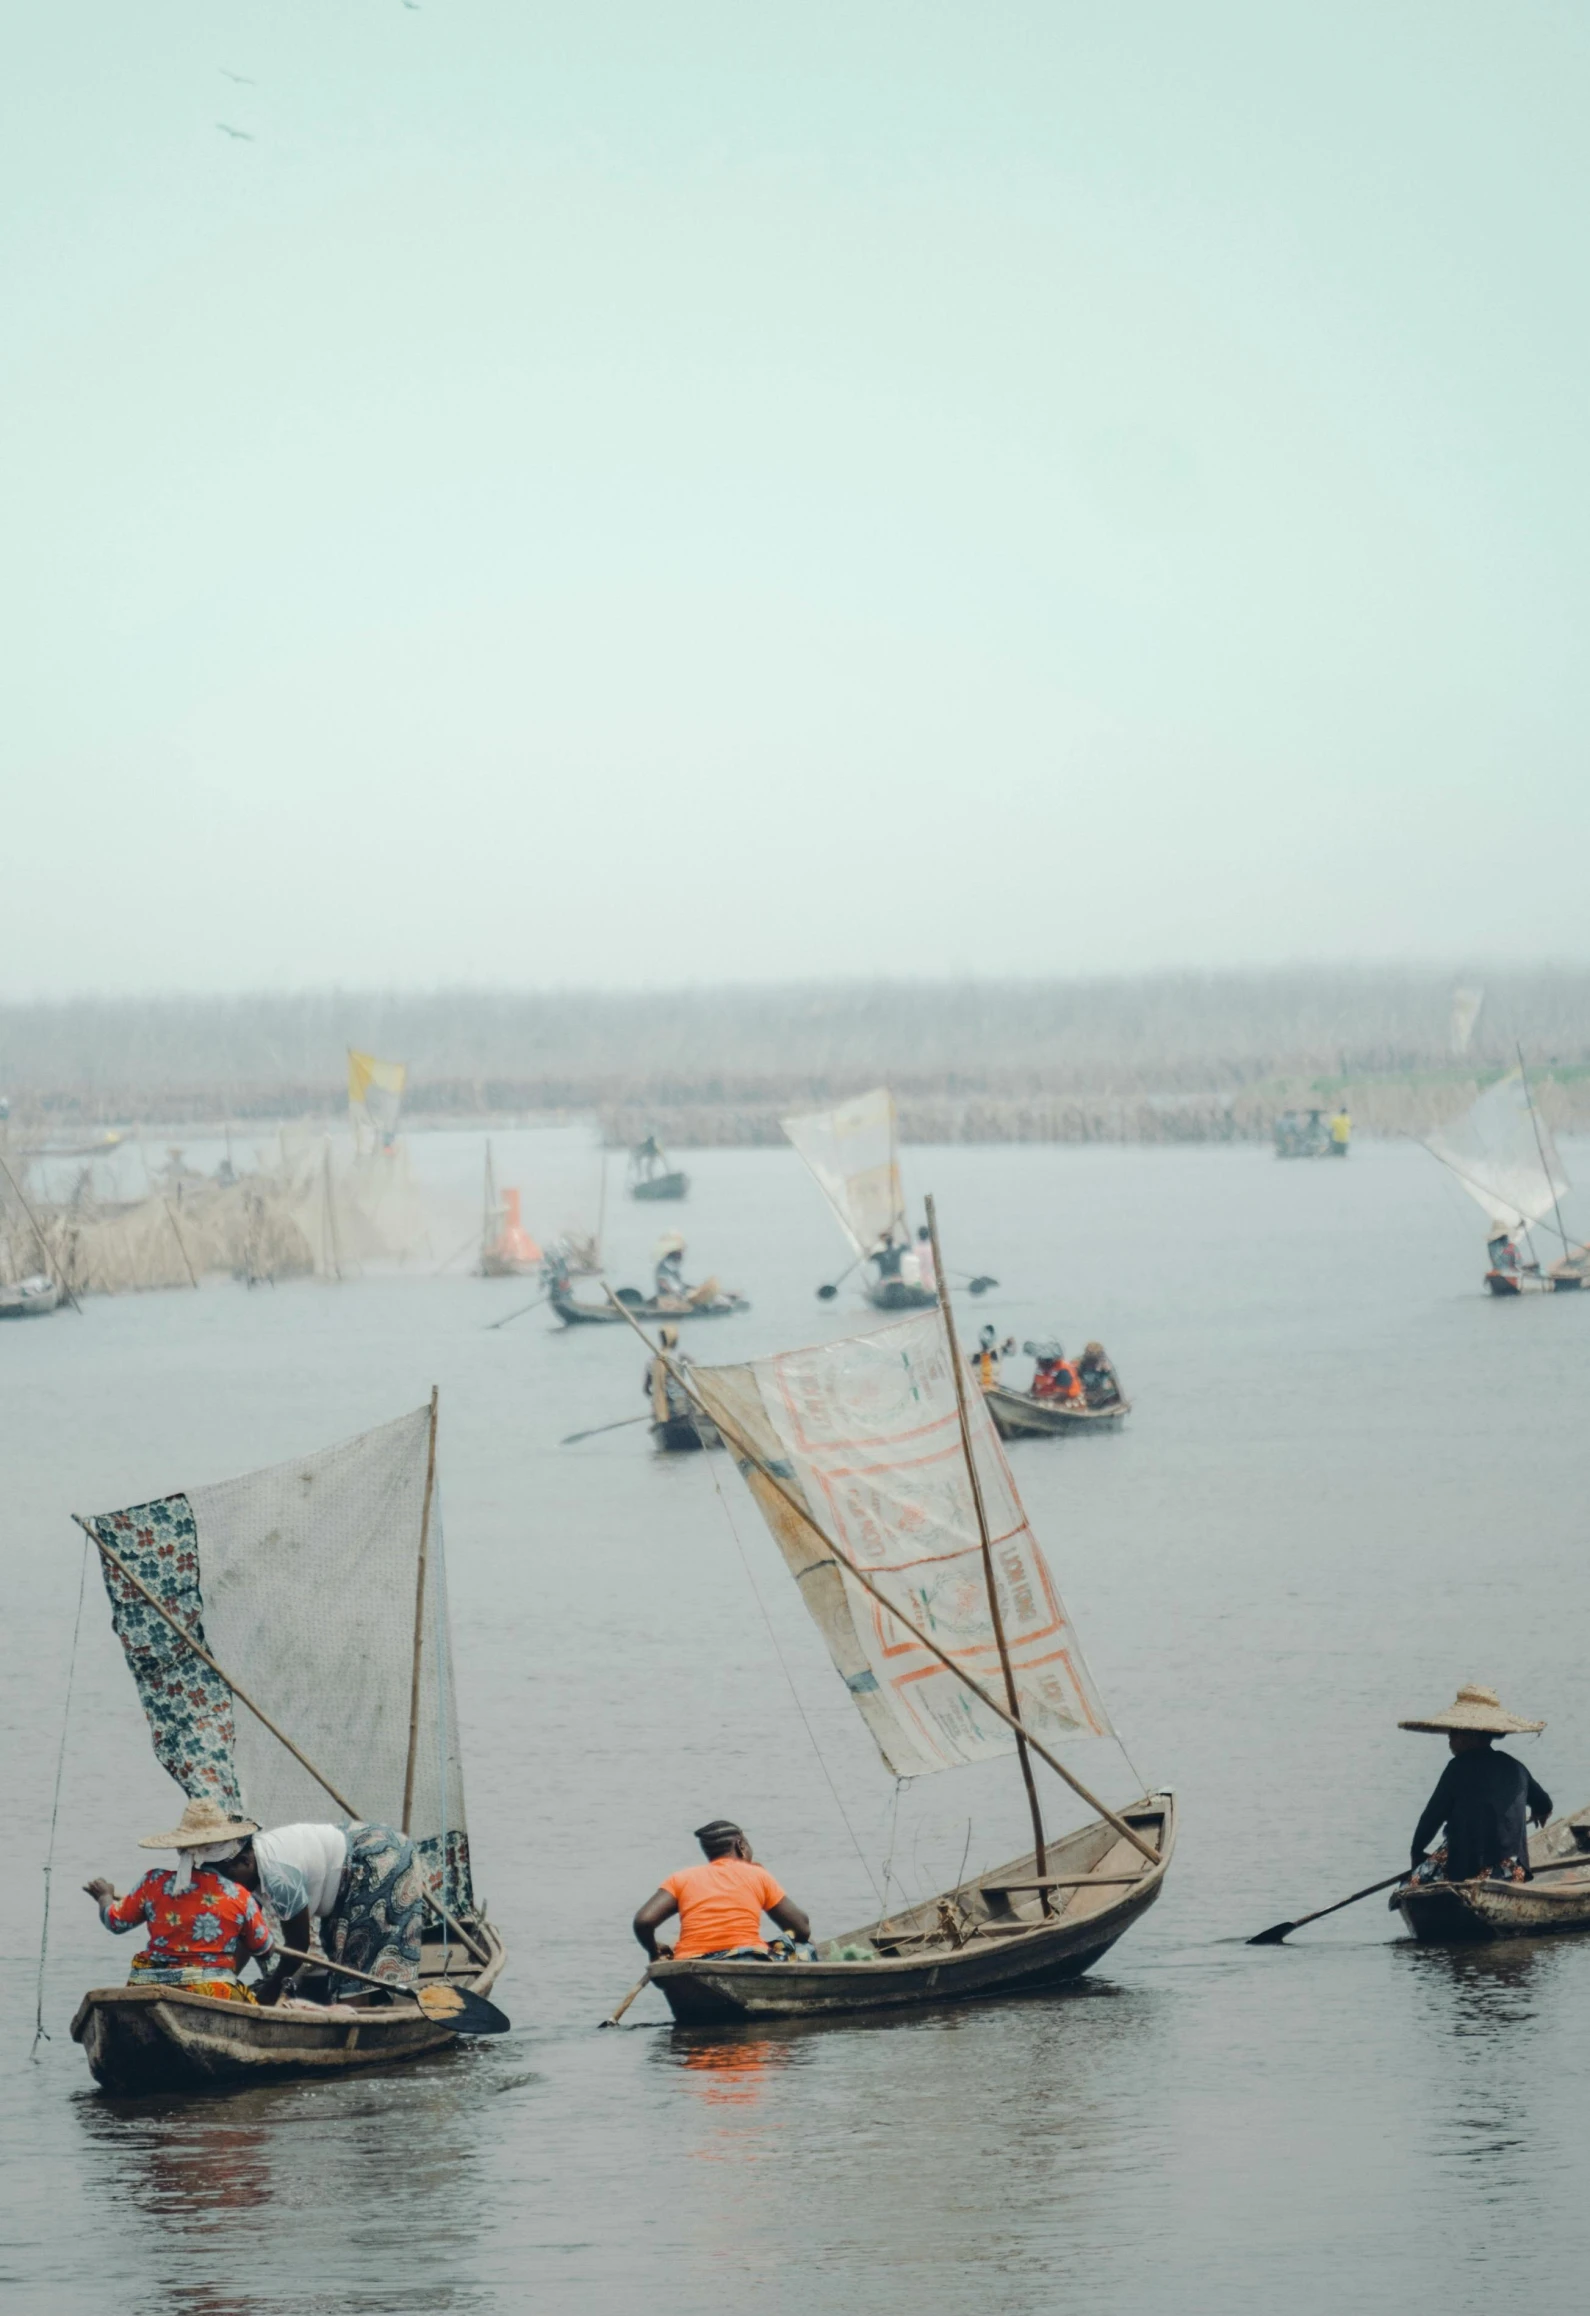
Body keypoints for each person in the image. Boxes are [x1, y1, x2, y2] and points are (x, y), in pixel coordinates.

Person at [83, 1794, 273, 2002]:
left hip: (149, 1985)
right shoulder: (240, 1897)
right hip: (211, 1990)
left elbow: (115, 1922)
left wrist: (105, 1897)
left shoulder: (154, 1882)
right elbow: (264, 1949)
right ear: (225, 1851)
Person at [227, 1820, 426, 2001]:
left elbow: (297, 1946)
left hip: (378, 1861)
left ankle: (359, 2020)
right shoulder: (251, 1866)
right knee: (340, 1956)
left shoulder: (279, 1876)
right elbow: (247, 1936)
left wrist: (269, 1992)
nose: (223, 1886)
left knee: (357, 1962)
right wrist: (225, 1980)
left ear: (246, 1862)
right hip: (357, 1852)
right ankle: (365, 2006)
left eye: (226, 1876)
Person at [1401, 1685, 1552, 1884]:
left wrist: (1416, 1850)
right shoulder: (1516, 1767)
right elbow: (1544, 1803)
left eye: (1454, 1733)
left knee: (1411, 1883)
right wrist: (1540, 1812)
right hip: (1513, 1871)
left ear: (1471, 1735)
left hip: (1467, 1870)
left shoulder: (1457, 1769)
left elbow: (1432, 1817)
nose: (1449, 1738)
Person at [633, 1820, 814, 1964]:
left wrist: (653, 1951)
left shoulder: (682, 1878)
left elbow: (643, 1921)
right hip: (745, 1959)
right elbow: (801, 1929)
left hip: (689, 1959)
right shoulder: (757, 1875)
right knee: (806, 1948)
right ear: (741, 1845)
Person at [1078, 1341, 1122, 1408]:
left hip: (1102, 1396)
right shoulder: (1082, 1363)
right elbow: (1079, 1377)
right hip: (1087, 1392)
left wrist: (1103, 1370)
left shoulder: (1104, 1366)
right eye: (1088, 1353)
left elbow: (1106, 1385)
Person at [653, 1233, 688, 1303]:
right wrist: (674, 1292)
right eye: (679, 1252)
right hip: (668, 1299)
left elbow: (678, 1284)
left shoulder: (673, 1266)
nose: (681, 1254)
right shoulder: (664, 1265)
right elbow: (662, 1282)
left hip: (679, 1297)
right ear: (674, 1252)